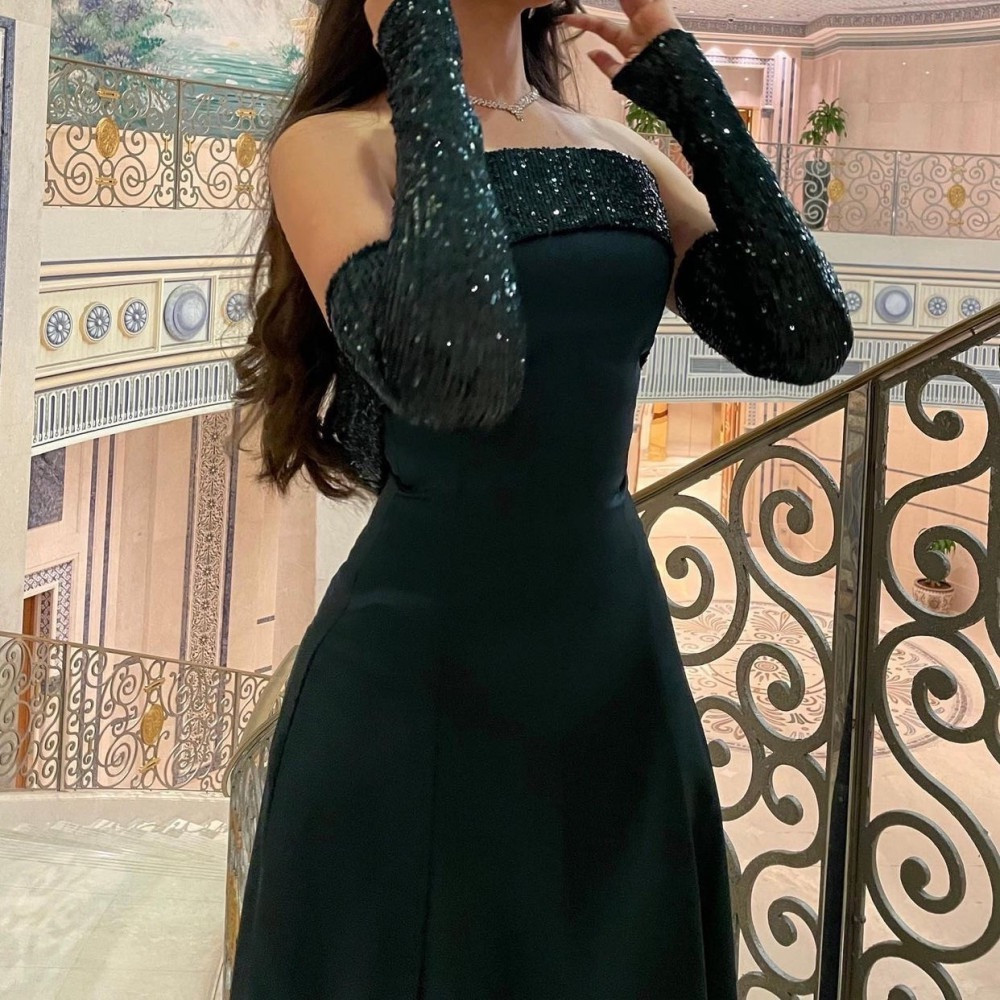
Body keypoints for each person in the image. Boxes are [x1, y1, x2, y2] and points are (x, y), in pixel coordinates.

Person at [230, 0, 853, 996]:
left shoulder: (617, 152)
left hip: (615, 663)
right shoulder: (333, 149)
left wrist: (682, 81)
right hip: (420, 678)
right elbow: (456, 374)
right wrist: (420, 51)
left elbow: (803, 331)